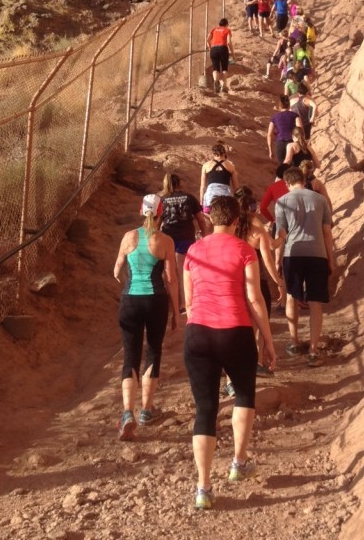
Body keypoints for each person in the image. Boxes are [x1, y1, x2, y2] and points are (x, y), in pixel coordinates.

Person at [183, 195, 276, 510]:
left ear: (210, 219)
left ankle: (203, 487)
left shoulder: (194, 252)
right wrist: (267, 339)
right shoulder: (245, 250)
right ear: (238, 220)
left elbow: (190, 300)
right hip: (234, 331)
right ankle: (238, 461)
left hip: (198, 333)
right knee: (244, 395)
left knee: (205, 409)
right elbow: (254, 298)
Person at [113, 194, 179, 439]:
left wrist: (125, 281)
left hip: (130, 299)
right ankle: (147, 410)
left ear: (142, 211)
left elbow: (117, 269)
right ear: (162, 213)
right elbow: (171, 279)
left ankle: (128, 412)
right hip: (156, 301)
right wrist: (177, 310)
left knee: (130, 354)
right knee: (153, 352)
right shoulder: (165, 241)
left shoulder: (128, 237)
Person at [275, 167, 336, 367]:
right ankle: (313, 349)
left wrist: (277, 258)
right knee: (315, 302)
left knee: (291, 297)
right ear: (303, 179)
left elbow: (281, 234)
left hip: (292, 253)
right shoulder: (320, 200)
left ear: (287, 183)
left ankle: (294, 343)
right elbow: (327, 232)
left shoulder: (282, 202)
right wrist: (331, 258)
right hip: (317, 252)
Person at [235, 186, 285, 374]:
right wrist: (279, 282)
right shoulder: (257, 230)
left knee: (242, 323)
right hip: (258, 280)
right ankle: (259, 363)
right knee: (261, 321)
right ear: (251, 208)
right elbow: (268, 258)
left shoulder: (232, 229)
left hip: (237, 281)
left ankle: (242, 362)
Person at [160, 172, 210, 313]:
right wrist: (204, 235)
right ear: (179, 183)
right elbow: (201, 219)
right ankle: (183, 303)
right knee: (183, 271)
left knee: (169, 272)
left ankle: (172, 303)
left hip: (168, 237)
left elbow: (158, 221)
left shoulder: (162, 199)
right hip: (186, 237)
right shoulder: (189, 198)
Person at [200, 143, 238, 213]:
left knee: (208, 217)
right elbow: (236, 187)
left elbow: (202, 187)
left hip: (210, 197)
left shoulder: (206, 165)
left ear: (213, 154)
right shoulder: (231, 166)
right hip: (226, 196)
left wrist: (201, 204)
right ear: (224, 153)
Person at [267, 95, 300, 163]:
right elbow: (300, 130)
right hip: (292, 142)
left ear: (279, 106)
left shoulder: (274, 117)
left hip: (280, 144)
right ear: (289, 105)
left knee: (283, 167)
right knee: (295, 166)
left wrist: (270, 150)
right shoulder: (295, 115)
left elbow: (269, 135)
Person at [207, 17, 234, 94]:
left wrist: (210, 47)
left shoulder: (214, 29)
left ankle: (216, 81)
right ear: (227, 24)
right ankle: (224, 86)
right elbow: (229, 42)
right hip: (223, 48)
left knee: (216, 68)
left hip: (213, 49)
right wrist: (233, 53)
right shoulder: (227, 30)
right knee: (225, 68)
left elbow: (208, 40)